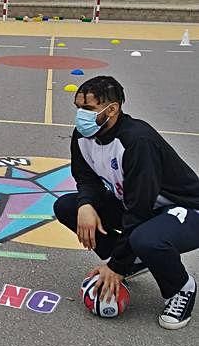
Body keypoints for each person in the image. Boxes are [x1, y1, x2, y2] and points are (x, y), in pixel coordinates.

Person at [53, 76, 199, 330]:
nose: (80, 115)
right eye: (78, 107)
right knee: (68, 207)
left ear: (112, 109)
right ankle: (131, 262)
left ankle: (181, 287)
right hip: (143, 206)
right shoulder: (83, 135)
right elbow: (85, 176)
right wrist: (86, 204)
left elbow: (139, 209)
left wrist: (114, 267)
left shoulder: (137, 141)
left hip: (186, 209)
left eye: (88, 109)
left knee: (145, 237)